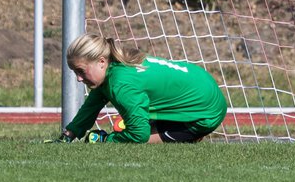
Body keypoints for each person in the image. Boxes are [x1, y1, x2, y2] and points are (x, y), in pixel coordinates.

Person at [59, 33, 228, 144]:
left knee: (135, 136)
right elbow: (92, 105)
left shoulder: (121, 85)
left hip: (206, 113)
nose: (78, 78)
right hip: (202, 82)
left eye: (81, 71)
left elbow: (139, 135)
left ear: (101, 62)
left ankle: (191, 133)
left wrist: (106, 140)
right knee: (128, 126)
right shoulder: (116, 67)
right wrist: (70, 134)